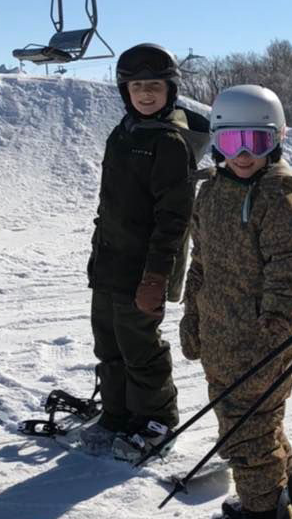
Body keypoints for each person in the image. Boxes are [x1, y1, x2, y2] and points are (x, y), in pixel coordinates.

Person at [180, 84, 292, 519]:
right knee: (256, 425)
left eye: (256, 142)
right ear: (217, 144)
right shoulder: (212, 191)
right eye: (230, 142)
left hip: (261, 341)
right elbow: (200, 259)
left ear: (275, 140)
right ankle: (281, 494)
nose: (243, 154)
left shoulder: (278, 196)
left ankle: (262, 510)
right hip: (219, 338)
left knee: (247, 434)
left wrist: (275, 327)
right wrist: (191, 314)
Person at [81, 43, 210, 460]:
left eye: (155, 86)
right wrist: (96, 255)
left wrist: (156, 278)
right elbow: (109, 205)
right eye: (138, 87)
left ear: (169, 89)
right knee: (109, 341)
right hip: (112, 263)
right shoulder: (124, 132)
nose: (146, 94)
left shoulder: (168, 142)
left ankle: (156, 418)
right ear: (125, 91)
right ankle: (117, 413)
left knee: (139, 345)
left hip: (144, 268)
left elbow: (173, 220)